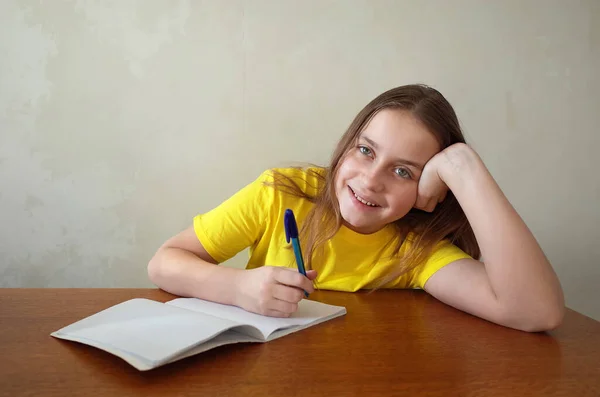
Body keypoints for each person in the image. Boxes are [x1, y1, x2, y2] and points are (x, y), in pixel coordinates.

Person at [148, 84, 565, 332]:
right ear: (347, 143)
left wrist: (464, 168)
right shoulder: (279, 193)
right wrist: (237, 288)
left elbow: (536, 312)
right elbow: (164, 263)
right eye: (365, 150)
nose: (370, 180)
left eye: (403, 171)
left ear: (426, 190)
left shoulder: (416, 248)